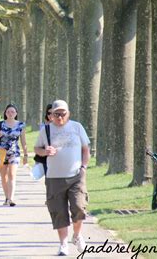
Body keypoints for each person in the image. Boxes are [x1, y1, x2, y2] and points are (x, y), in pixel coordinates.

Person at [34, 100, 90, 256]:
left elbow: (86, 150)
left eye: (62, 114)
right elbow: (37, 148)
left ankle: (77, 235)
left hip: (76, 176)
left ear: (68, 114)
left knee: (79, 207)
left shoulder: (77, 127)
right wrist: (45, 151)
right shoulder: (45, 130)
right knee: (59, 212)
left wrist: (84, 168)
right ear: (51, 115)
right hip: (54, 178)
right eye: (56, 114)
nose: (59, 117)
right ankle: (63, 243)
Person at [0, 104, 27, 206]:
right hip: (2, 152)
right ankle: (7, 197)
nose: (10, 113)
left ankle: (11, 198)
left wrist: (25, 155)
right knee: (4, 177)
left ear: (16, 113)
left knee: (12, 174)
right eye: (8, 112)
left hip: (14, 152)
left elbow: (23, 141)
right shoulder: (0, 124)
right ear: (5, 113)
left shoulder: (21, 125)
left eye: (13, 112)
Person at [33, 104, 53, 176]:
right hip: (46, 154)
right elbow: (39, 143)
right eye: (49, 113)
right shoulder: (44, 126)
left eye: (53, 113)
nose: (51, 115)